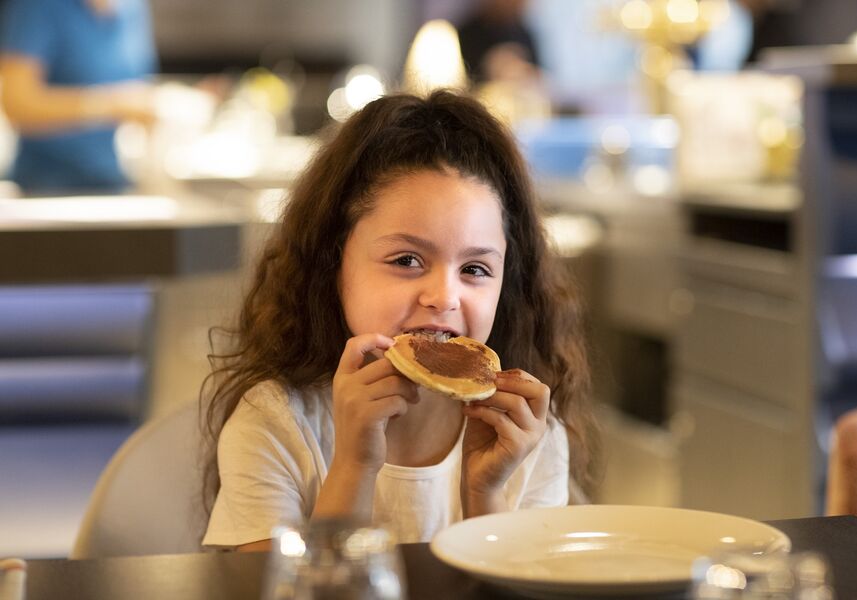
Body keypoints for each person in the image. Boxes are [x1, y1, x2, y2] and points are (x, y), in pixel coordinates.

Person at [200, 90, 596, 550]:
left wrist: (485, 492)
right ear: (333, 263)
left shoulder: (527, 433)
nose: (444, 296)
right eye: (407, 259)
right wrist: (353, 464)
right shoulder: (276, 424)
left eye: (475, 269)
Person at [0, 0, 157, 194]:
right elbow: (16, 104)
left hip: (113, 179)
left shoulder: (132, 7)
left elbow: (137, 87)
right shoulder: (39, 7)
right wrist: (104, 104)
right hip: (47, 184)